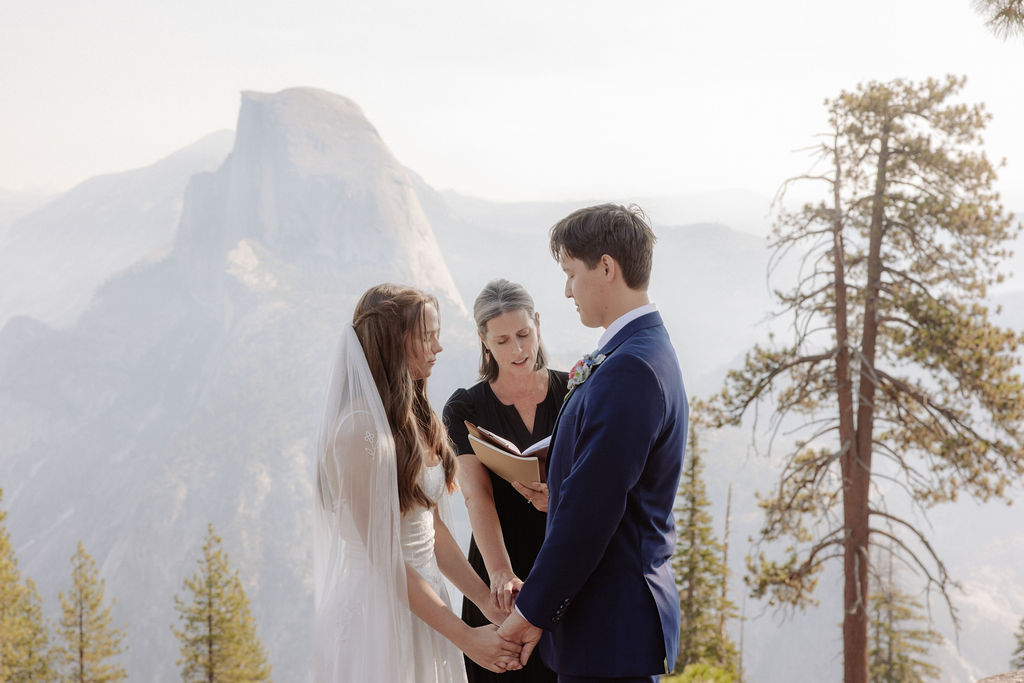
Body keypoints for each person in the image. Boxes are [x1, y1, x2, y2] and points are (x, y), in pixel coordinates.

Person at [498, 205, 689, 681]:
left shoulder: (632, 368)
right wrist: (558, 489)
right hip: (609, 628)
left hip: (610, 628)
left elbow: (593, 511)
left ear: (606, 268)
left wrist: (531, 612)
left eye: (570, 273)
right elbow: (607, 483)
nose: (566, 290)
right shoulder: (634, 350)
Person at [313, 283, 522, 682]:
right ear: (394, 342)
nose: (439, 347)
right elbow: (385, 559)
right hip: (378, 614)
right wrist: (467, 638)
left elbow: (429, 528)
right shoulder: (359, 431)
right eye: (427, 336)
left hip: (427, 605)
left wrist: (485, 602)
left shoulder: (413, 419)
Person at [443, 279, 567, 683]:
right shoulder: (465, 407)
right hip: (498, 574)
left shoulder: (575, 392)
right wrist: (499, 574)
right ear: (483, 340)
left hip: (564, 568)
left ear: (537, 324)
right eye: (502, 340)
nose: (518, 350)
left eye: (524, 335)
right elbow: (476, 496)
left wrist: (558, 497)